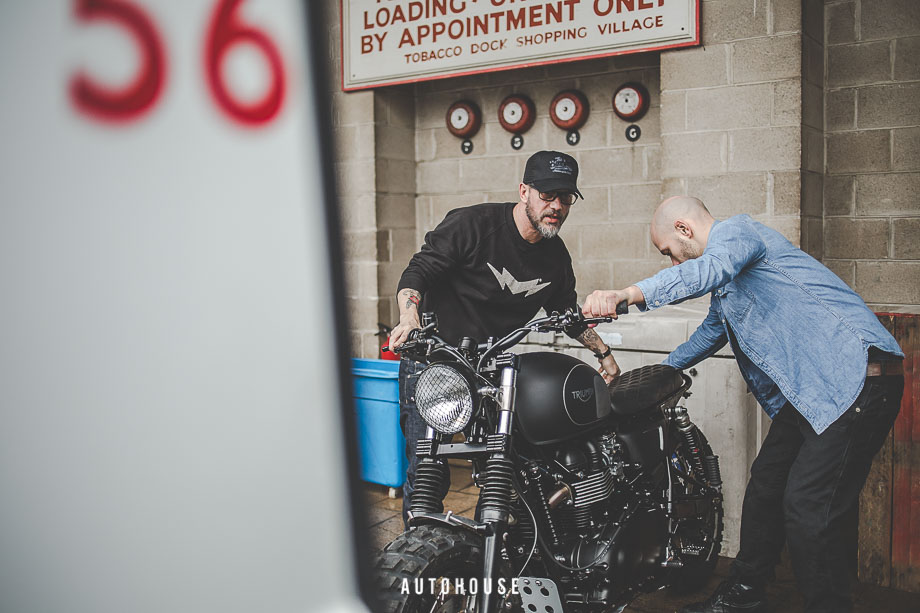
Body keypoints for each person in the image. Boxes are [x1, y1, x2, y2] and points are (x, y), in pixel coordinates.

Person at [582, 196, 904, 613]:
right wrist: (649, 379)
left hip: (858, 380)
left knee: (810, 507)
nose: (674, 262)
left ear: (684, 229)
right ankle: (745, 592)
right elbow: (708, 334)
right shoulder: (728, 283)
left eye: (669, 253)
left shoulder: (737, 234)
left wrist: (628, 294)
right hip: (811, 394)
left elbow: (705, 270)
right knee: (766, 486)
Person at [390, 150, 621, 526]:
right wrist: (409, 316)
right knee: (429, 469)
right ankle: (420, 554)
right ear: (524, 191)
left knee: (503, 465)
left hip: (490, 367)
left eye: (565, 198)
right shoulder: (473, 225)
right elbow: (419, 271)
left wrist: (604, 354)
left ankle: (488, 555)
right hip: (434, 361)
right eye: (547, 195)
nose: (556, 207)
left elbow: (567, 314)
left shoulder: (555, 256)